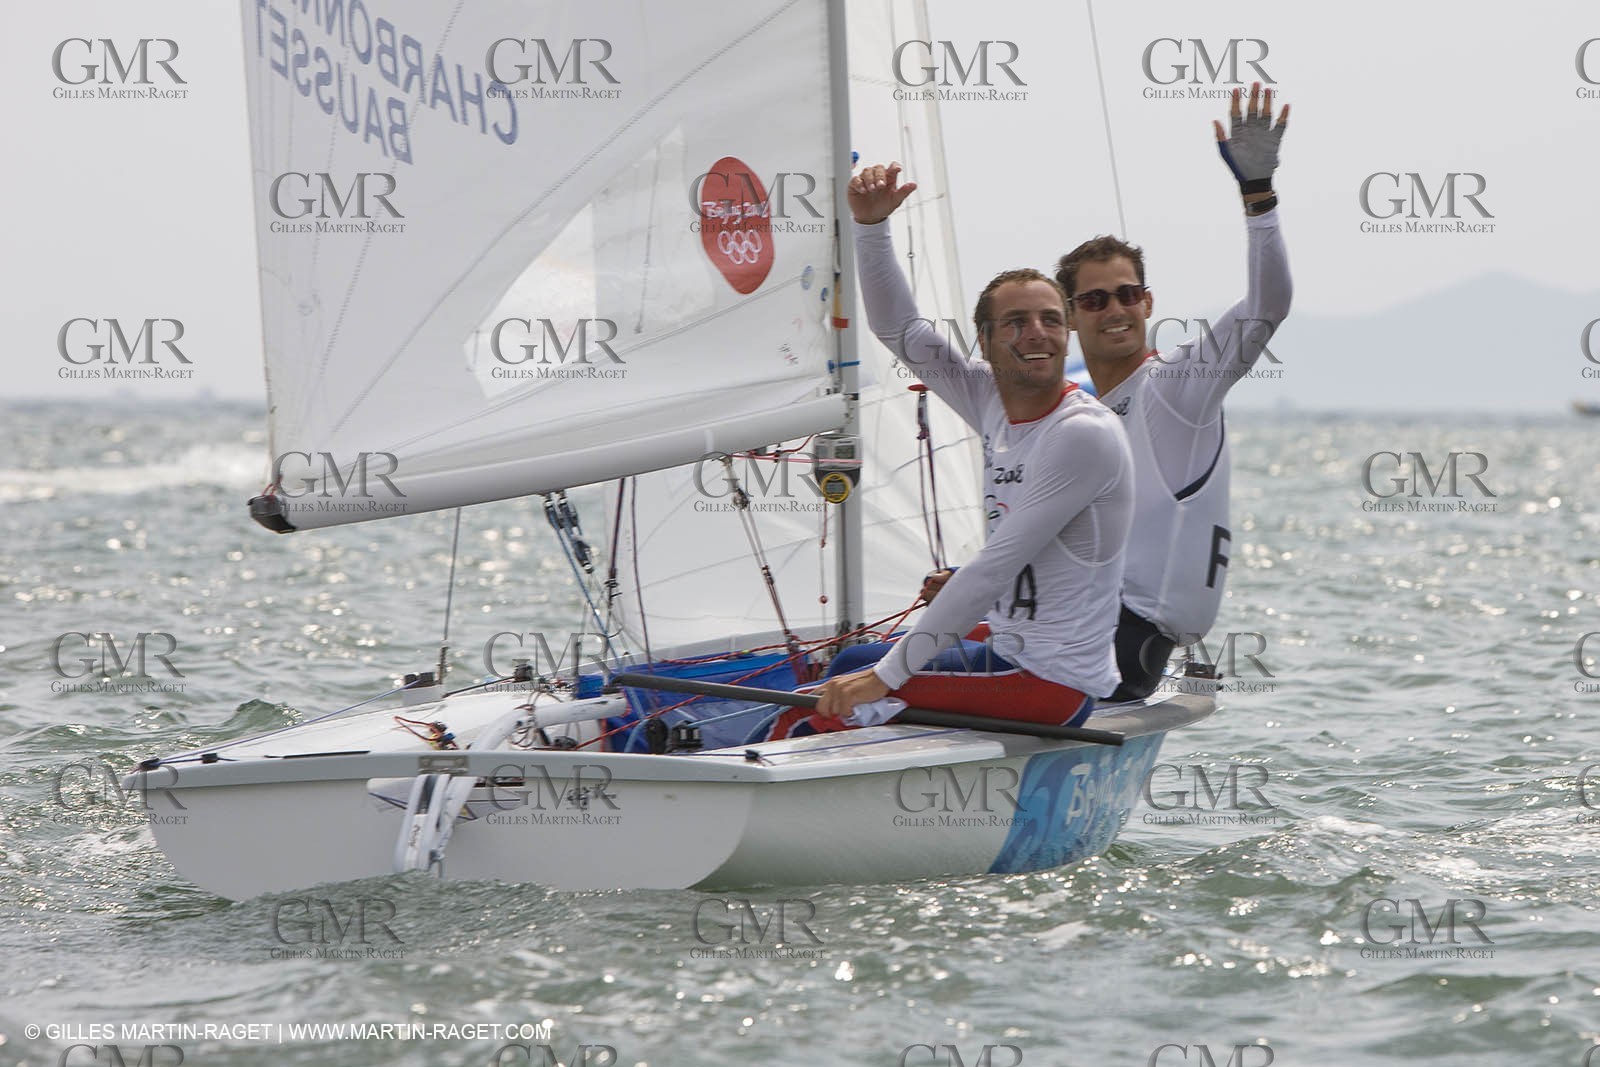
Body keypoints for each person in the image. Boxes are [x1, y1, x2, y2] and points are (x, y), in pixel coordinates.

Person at [771, 162, 1135, 736]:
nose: (1036, 332)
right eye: (1015, 322)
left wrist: (886, 679)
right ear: (984, 342)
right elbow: (900, 331)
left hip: (1049, 681)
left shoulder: (1082, 433)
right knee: (848, 664)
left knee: (814, 705)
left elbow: (993, 568)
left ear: (1067, 335)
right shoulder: (990, 396)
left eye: (1050, 319)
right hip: (1012, 647)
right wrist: (871, 227)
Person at [1043, 82, 1292, 699]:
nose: (1115, 309)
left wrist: (1258, 195)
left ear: (1148, 302)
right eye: (1094, 300)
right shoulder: (1081, 414)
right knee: (874, 657)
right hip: (1079, 628)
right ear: (1070, 316)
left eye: (1128, 294)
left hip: (1125, 644)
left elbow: (1268, 304)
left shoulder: (1181, 387)